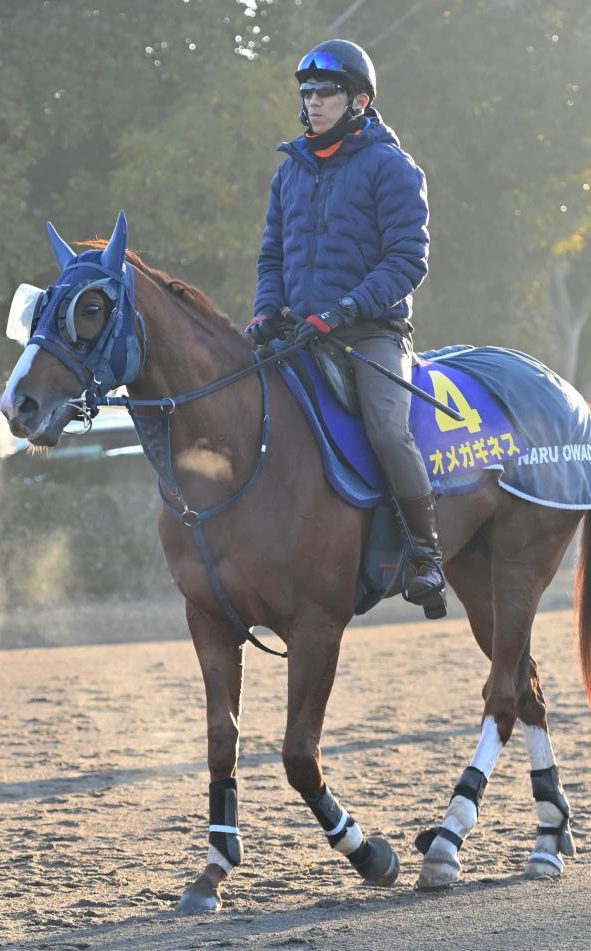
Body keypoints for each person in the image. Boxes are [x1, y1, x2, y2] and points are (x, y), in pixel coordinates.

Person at [245, 39, 445, 617]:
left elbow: (408, 260)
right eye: (306, 93)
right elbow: (270, 260)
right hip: (298, 331)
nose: (312, 102)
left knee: (386, 429)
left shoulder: (392, 167)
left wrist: (343, 311)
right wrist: (264, 311)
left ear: (359, 100)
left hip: (371, 333)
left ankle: (424, 553)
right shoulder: (289, 173)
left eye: (325, 93)